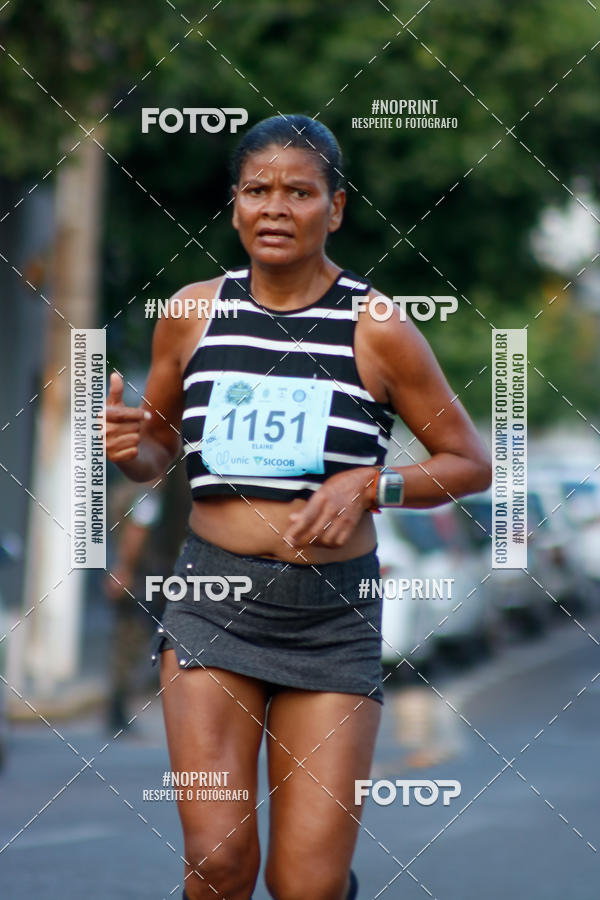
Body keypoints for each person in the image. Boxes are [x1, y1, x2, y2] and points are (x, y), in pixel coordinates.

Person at [105, 114, 491, 900]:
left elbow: (470, 462)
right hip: (214, 603)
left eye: (299, 192)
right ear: (236, 205)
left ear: (335, 208)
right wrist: (130, 446)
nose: (275, 207)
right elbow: (162, 448)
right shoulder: (191, 313)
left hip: (331, 620)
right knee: (217, 862)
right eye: (257, 190)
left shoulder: (378, 326)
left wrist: (370, 484)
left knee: (306, 886)